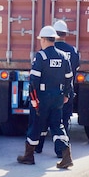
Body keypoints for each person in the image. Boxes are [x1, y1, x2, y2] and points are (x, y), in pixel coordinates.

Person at [17, 26, 74, 168]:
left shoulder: (40, 56)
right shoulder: (63, 56)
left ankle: (28, 156)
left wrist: (33, 99)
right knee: (57, 125)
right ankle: (66, 156)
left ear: (43, 40)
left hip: (42, 97)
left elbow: (33, 80)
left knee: (35, 124)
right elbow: (69, 78)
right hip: (58, 97)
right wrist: (67, 94)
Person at [35, 20, 80, 155]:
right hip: (64, 91)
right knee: (61, 121)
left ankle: (38, 146)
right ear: (66, 34)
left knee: (42, 119)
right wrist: (68, 92)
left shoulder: (44, 52)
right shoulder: (72, 51)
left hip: (46, 91)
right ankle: (61, 149)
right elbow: (74, 70)